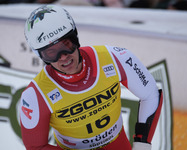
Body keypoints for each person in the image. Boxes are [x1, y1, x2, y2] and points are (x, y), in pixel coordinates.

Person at [20, 4, 163, 150]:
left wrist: (142, 144)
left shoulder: (115, 58)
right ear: (41, 56)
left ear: (75, 38)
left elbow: (150, 94)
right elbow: (35, 146)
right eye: (51, 53)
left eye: (66, 45)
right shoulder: (35, 94)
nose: (63, 57)